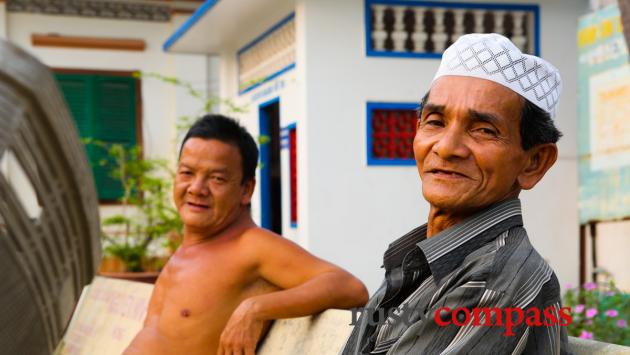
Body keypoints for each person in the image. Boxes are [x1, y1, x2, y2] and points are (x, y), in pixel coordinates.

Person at [342, 33, 570, 354]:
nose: (447, 147)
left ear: (533, 162)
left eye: (484, 130)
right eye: (435, 121)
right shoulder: (425, 261)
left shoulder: (496, 281)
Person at [125, 114, 368, 355]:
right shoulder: (191, 245)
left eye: (217, 178)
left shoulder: (251, 245)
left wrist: (255, 308)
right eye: (187, 173)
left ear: (246, 189)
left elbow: (349, 287)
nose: (197, 188)